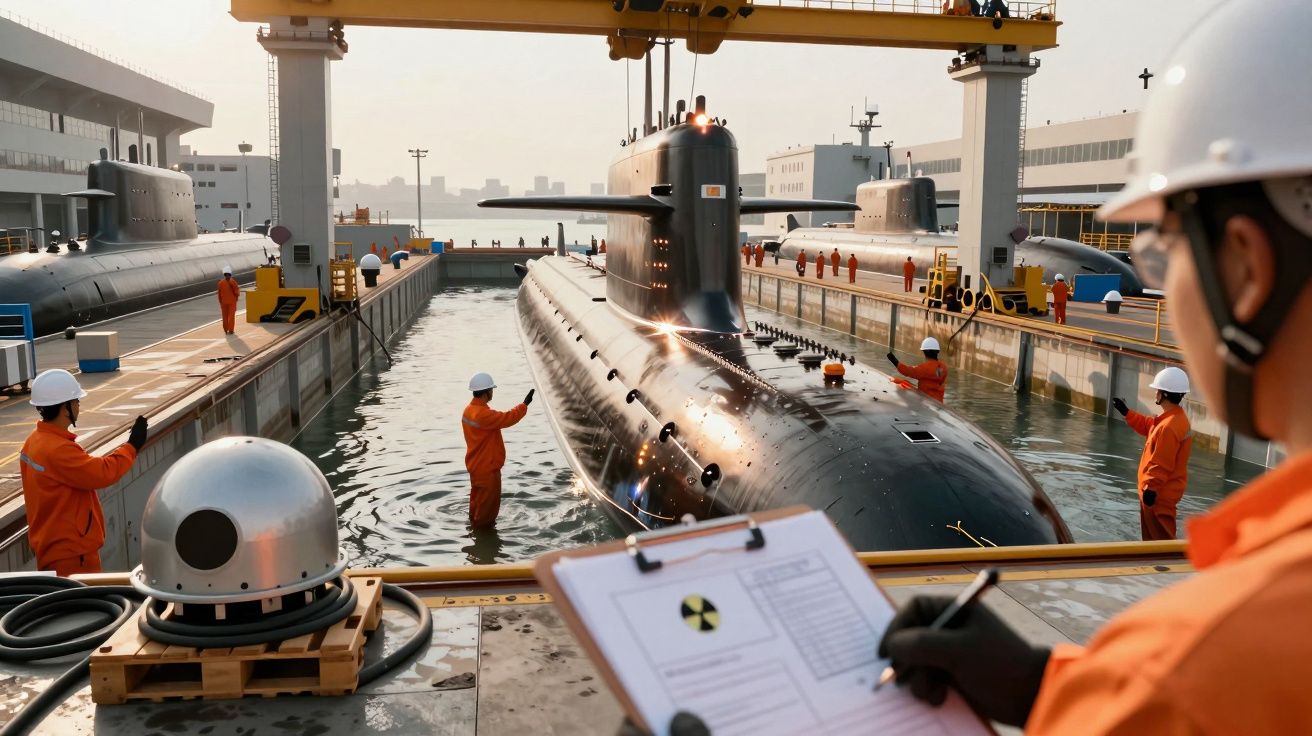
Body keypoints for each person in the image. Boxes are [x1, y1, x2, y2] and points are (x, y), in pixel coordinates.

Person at [880, 6, 1312, 732]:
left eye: (1161, 251)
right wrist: (1043, 687)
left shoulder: (1191, 671)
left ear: (1244, 266)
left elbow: (1181, 697)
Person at [20, 369, 147, 576]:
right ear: (65, 408)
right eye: (76, 401)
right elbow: (102, 473)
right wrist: (132, 446)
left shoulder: (34, 441)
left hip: (51, 547)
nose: (79, 405)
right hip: (73, 555)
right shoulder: (58, 449)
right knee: (84, 605)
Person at [1111, 368, 1193, 541]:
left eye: (1157, 390)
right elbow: (1150, 427)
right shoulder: (1174, 419)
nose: (1155, 392)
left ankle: (1168, 566)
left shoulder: (1169, 427)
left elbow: (1161, 463)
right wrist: (1127, 413)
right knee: (1156, 540)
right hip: (1161, 493)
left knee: (1160, 543)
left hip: (1157, 495)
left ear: (1163, 394)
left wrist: (1151, 489)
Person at [462, 372, 532, 528]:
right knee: (487, 516)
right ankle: (484, 544)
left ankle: (472, 535)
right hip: (488, 471)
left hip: (475, 468)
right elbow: (508, 418)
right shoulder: (483, 415)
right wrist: (524, 405)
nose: (493, 392)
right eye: (492, 390)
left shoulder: (468, 411)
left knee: (476, 506)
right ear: (487, 392)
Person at [886, 337, 948, 402]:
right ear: (937, 351)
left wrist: (894, 361)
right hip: (939, 402)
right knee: (907, 383)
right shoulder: (943, 367)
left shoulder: (925, 368)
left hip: (927, 401)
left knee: (901, 382)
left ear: (925, 352)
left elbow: (907, 371)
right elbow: (936, 377)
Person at [217, 265, 240, 335]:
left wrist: (221, 302)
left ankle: (226, 329)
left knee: (225, 316)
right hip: (231, 302)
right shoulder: (233, 282)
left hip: (224, 302)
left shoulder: (220, 283)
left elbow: (219, 294)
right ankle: (231, 330)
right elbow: (237, 292)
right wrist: (236, 298)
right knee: (231, 316)